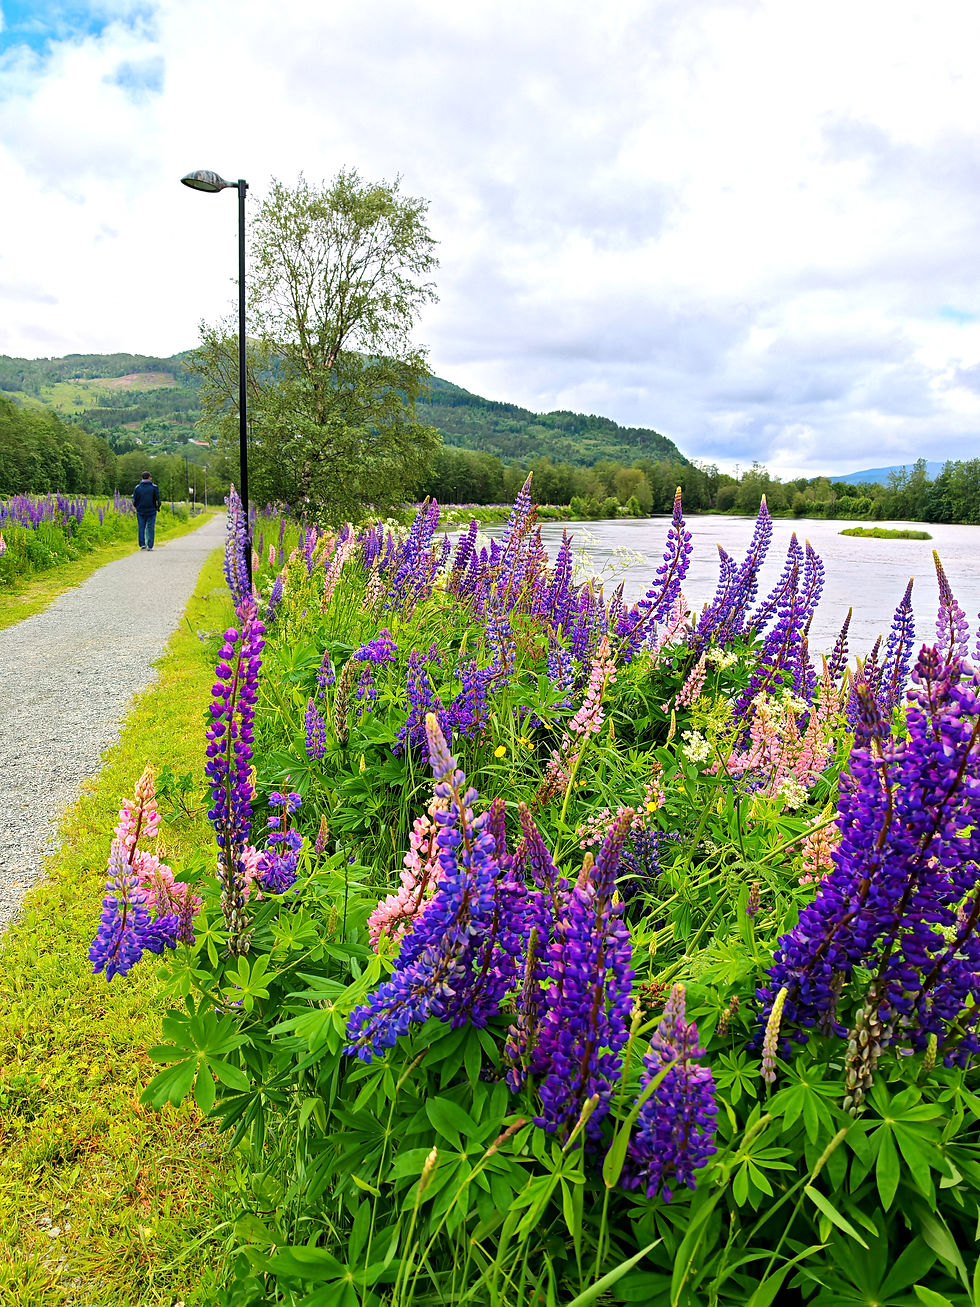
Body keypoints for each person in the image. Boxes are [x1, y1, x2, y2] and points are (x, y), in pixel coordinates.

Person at [132, 472, 161, 550]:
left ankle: (142, 544)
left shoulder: (137, 488)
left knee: (141, 527)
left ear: (142, 477)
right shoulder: (154, 487)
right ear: (149, 477)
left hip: (140, 510)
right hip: (151, 510)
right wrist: (158, 507)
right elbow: (158, 499)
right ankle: (150, 545)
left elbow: (134, 500)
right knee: (150, 528)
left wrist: (136, 507)